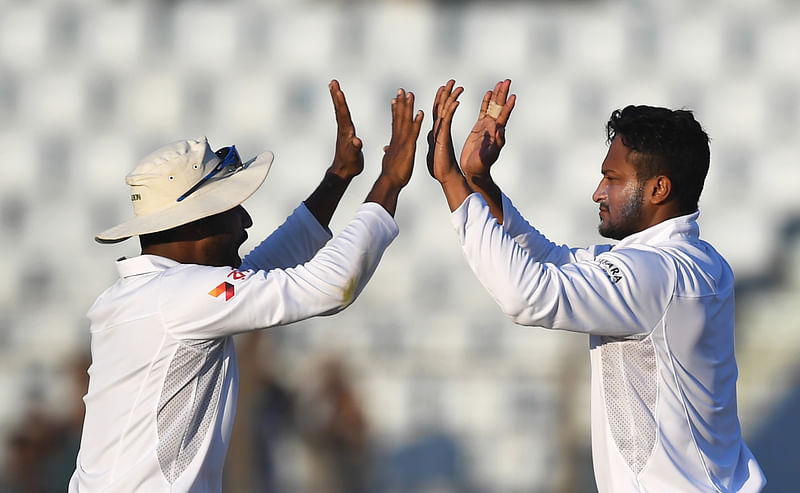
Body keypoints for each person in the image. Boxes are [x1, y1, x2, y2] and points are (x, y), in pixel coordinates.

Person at [68, 80, 423, 492]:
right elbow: (333, 286)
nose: (246, 223)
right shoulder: (178, 297)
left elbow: (262, 271)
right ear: (197, 222)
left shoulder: (147, 294)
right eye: (233, 209)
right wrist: (390, 182)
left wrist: (338, 177)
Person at [427, 79, 766, 492]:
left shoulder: (654, 274)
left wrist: (451, 182)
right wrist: (479, 180)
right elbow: (550, 261)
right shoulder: (700, 262)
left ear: (659, 189)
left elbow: (526, 296)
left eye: (612, 178)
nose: (597, 192)